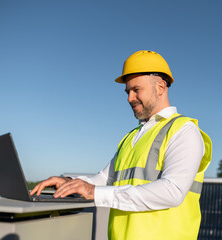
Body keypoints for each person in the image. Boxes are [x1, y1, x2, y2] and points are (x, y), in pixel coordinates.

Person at [31, 50, 212, 240]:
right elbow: (104, 179)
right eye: (128, 92)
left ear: (160, 87)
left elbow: (172, 192)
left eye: (136, 90)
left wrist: (93, 192)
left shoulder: (183, 130)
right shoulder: (131, 137)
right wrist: (70, 183)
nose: (129, 98)